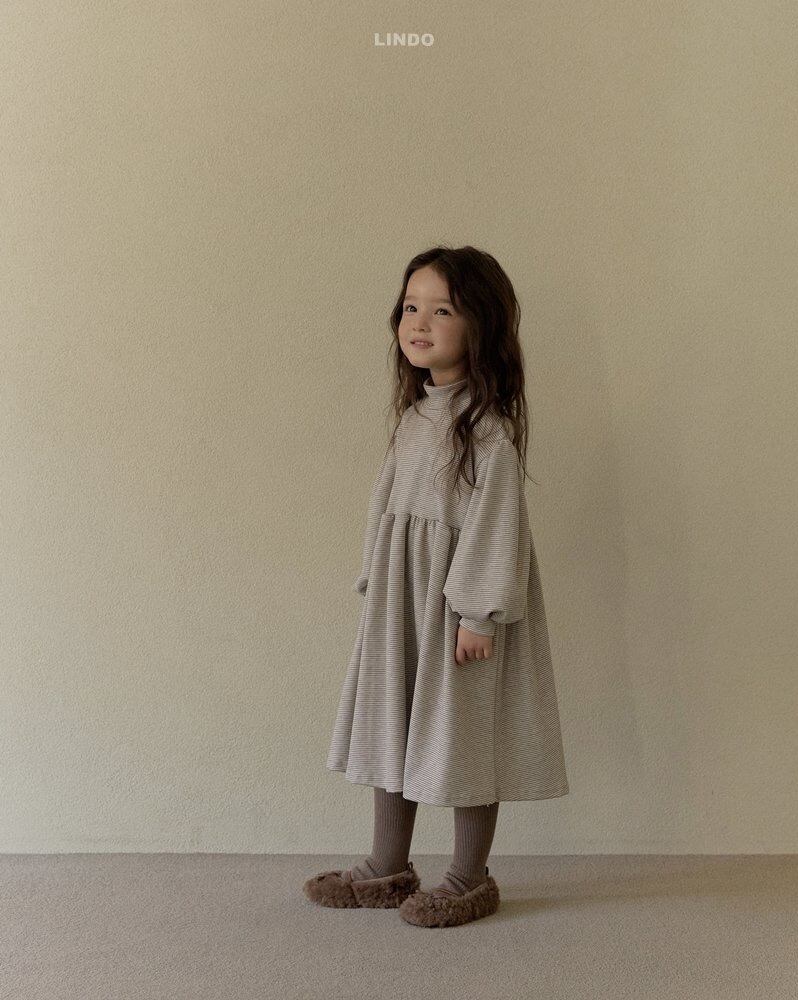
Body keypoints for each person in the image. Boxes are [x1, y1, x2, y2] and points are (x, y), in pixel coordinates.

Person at [304, 245, 570, 928]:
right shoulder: (416, 416)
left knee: (463, 733)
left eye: (442, 310)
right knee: (393, 725)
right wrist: (377, 580)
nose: (419, 323)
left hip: (457, 611)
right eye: (410, 307)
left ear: (481, 324)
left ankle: (467, 877)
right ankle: (386, 865)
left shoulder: (487, 433)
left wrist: (478, 614)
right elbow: (387, 507)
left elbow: (498, 525)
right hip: (405, 602)